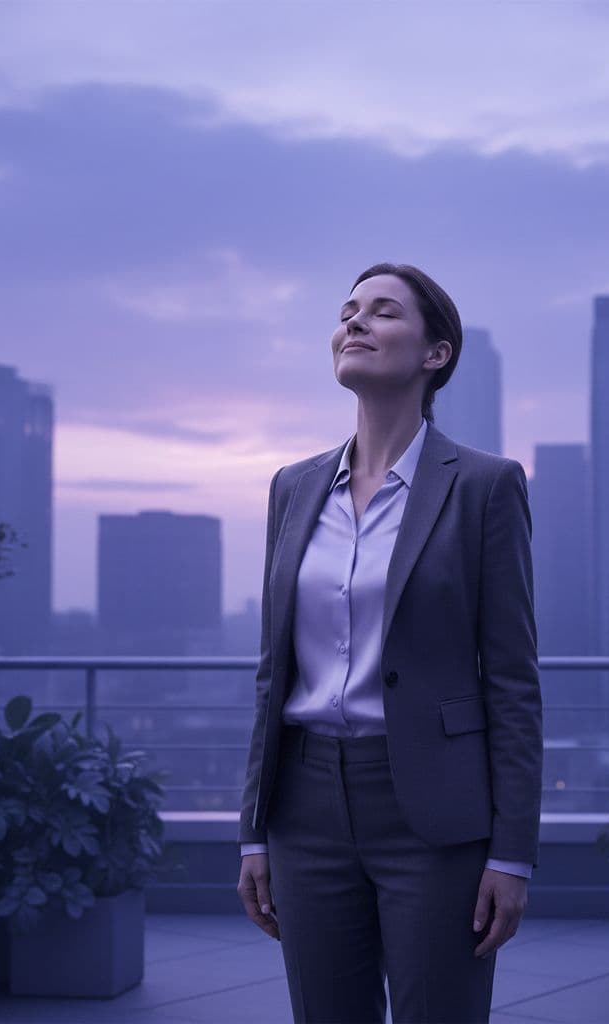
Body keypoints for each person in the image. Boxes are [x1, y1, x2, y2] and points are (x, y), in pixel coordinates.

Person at [237, 261, 543, 1023]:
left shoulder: (485, 486)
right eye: (347, 312)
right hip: (304, 808)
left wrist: (512, 852)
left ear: (436, 353)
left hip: (433, 812)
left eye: (382, 312)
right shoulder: (293, 487)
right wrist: (253, 833)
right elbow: (272, 674)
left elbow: (512, 681)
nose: (355, 323)